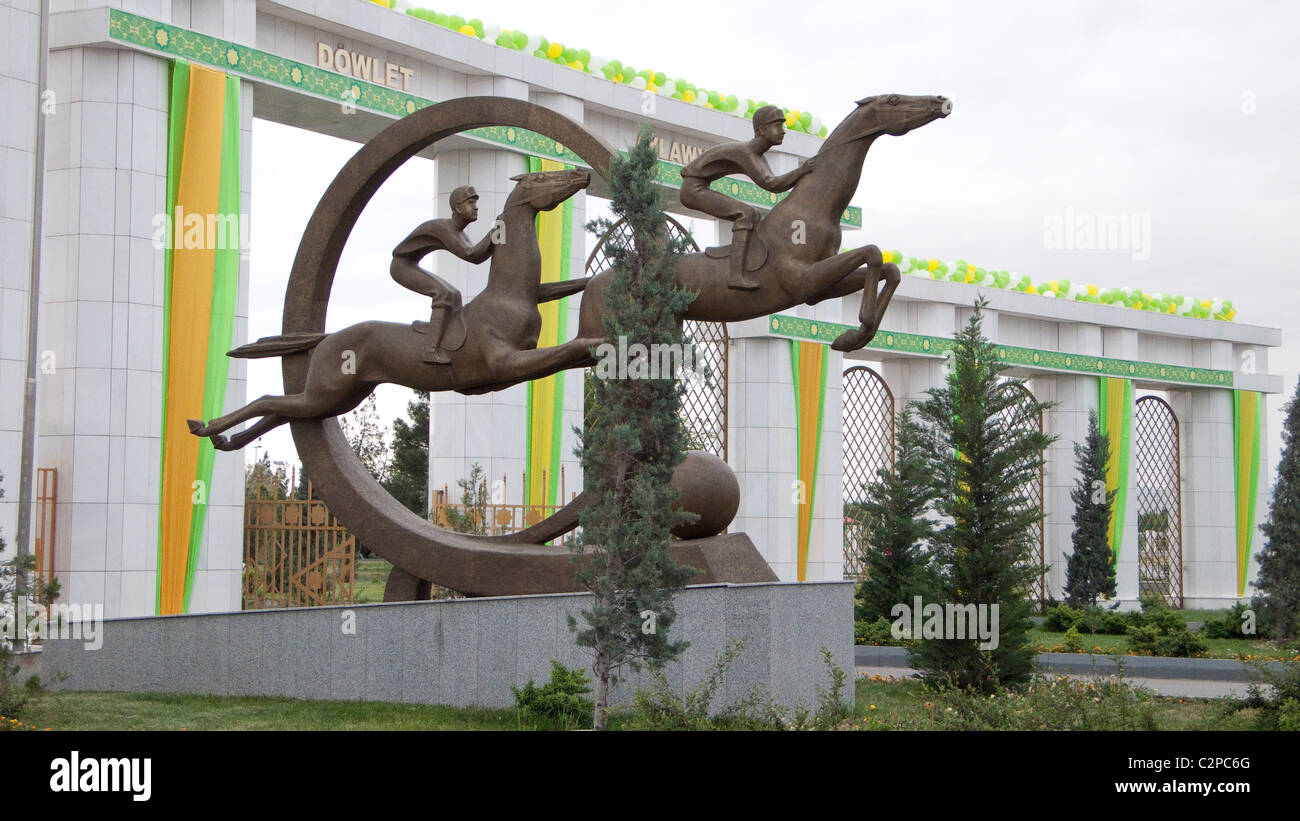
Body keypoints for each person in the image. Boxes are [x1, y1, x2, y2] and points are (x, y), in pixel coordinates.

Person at [678, 105, 816, 290]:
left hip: (699, 186)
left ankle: (740, 255)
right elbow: (771, 184)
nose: (783, 131)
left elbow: (772, 182)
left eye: (783, 125)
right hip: (692, 189)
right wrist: (802, 170)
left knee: (753, 214)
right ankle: (735, 275)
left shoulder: (757, 156)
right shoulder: (746, 153)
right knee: (746, 214)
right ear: (761, 130)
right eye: (777, 125)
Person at [390, 186, 496, 364]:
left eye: (476, 202)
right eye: (471, 203)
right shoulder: (445, 228)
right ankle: (430, 350)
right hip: (401, 266)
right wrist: (494, 233)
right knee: (444, 294)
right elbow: (471, 255)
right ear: (458, 208)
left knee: (455, 294)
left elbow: (477, 257)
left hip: (410, 263)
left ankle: (445, 337)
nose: (476, 207)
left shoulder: (458, 232)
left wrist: (496, 238)